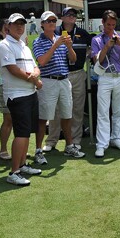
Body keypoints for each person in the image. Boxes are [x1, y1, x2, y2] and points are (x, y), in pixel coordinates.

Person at [0, 13, 43, 186]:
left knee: (27, 132)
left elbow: (35, 66)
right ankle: (13, 172)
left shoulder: (24, 45)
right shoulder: (4, 45)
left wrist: (35, 75)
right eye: (16, 24)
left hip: (30, 94)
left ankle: (22, 165)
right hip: (16, 95)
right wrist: (34, 80)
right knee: (21, 133)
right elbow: (13, 69)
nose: (19, 27)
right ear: (8, 27)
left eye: (22, 24)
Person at [32, 11, 85, 163]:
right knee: (44, 117)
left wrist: (69, 46)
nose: (51, 23)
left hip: (64, 80)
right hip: (48, 81)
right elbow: (42, 61)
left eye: (53, 21)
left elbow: (73, 59)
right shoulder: (38, 41)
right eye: (48, 21)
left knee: (67, 115)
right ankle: (38, 150)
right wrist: (56, 45)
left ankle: (69, 146)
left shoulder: (61, 39)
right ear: (42, 24)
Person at [44, 7, 92, 152]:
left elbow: (93, 46)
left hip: (78, 74)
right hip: (60, 75)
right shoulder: (55, 32)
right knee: (56, 109)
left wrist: (90, 53)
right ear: (62, 18)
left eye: (74, 15)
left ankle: (75, 140)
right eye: (68, 14)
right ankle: (52, 140)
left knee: (77, 109)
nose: (72, 16)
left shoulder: (83, 33)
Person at [91, 10, 120, 158]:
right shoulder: (96, 40)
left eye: (113, 25)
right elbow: (97, 61)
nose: (111, 28)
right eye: (108, 24)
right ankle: (102, 144)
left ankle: (116, 138)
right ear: (103, 23)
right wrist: (107, 46)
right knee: (103, 112)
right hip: (105, 77)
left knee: (118, 111)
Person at [0, 19, 12, 160]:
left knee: (19, 119)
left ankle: (19, 147)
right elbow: (2, 66)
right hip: (5, 85)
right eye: (6, 30)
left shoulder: (20, 45)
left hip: (21, 85)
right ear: (0, 32)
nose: (9, 32)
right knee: (8, 119)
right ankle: (3, 150)